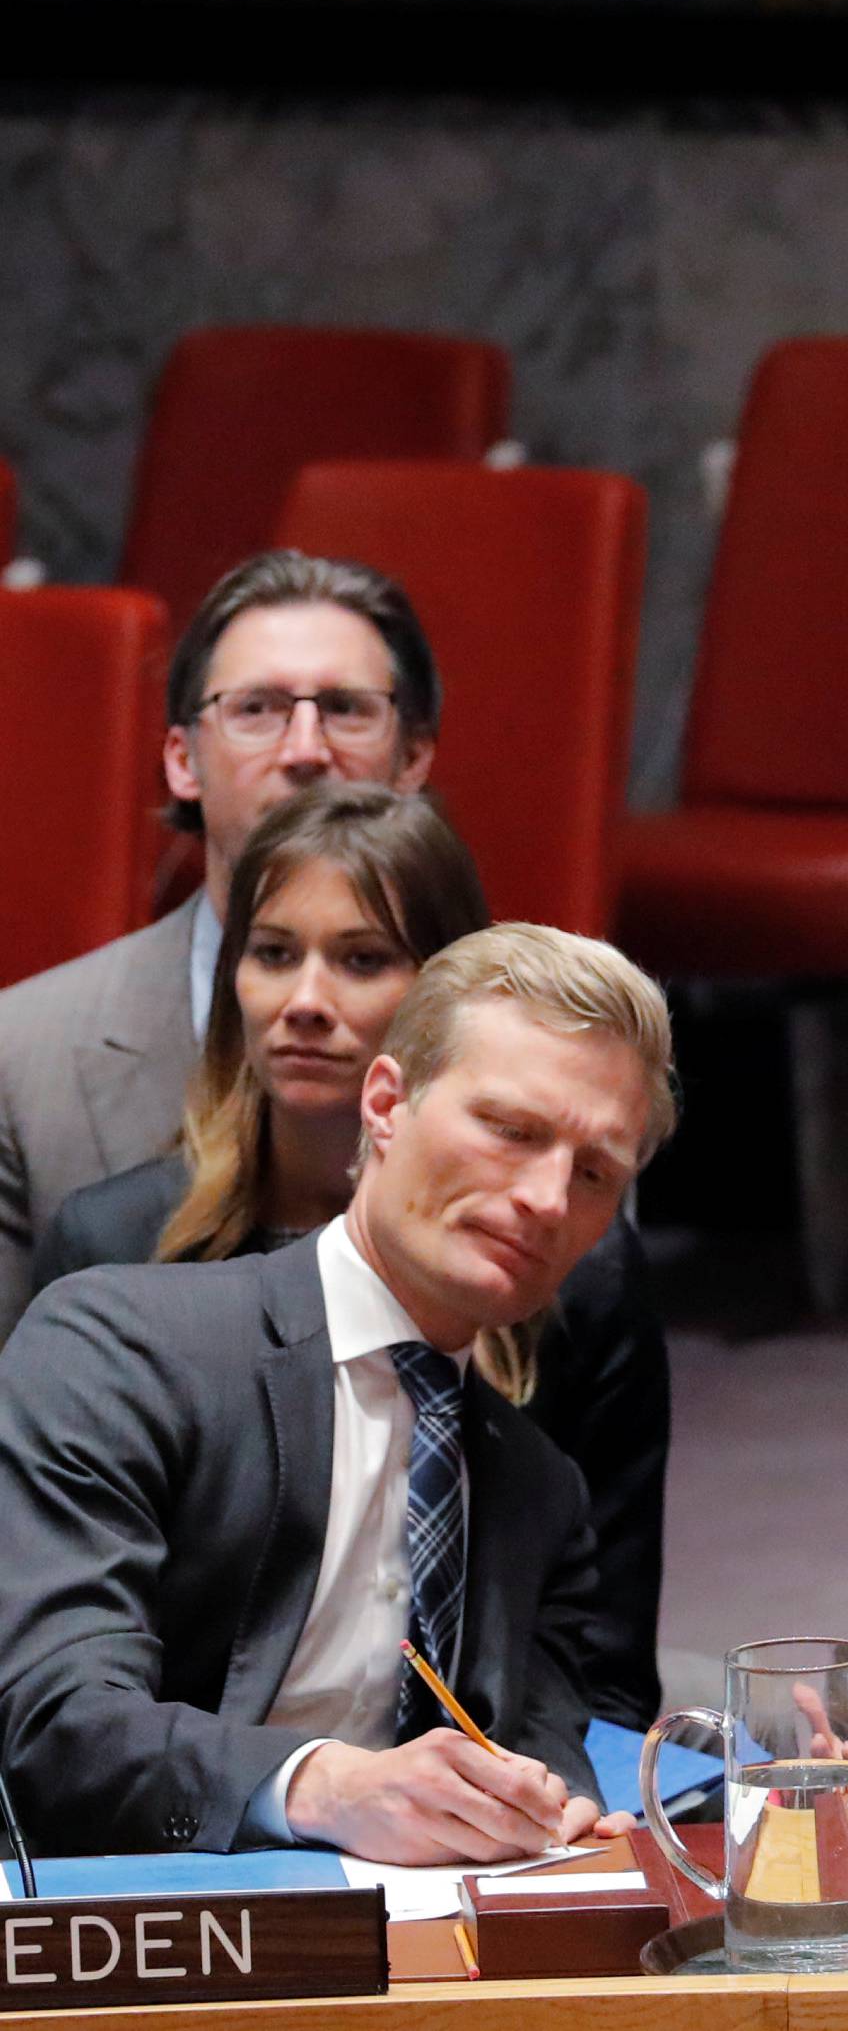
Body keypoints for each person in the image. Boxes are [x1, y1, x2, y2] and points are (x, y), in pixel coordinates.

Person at [0, 922, 677, 1861]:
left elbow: (546, 1757)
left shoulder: (539, 1491)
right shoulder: (119, 1348)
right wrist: (323, 1784)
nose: (550, 1199)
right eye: (511, 1131)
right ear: (387, 1104)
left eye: (597, 1172)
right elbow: (53, 1722)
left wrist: (547, 1813)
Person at [0, 549, 439, 1329]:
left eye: (345, 708)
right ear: (182, 761)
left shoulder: (530, 1034)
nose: (305, 750)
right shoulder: (22, 1056)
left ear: (412, 759)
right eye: (257, 709)